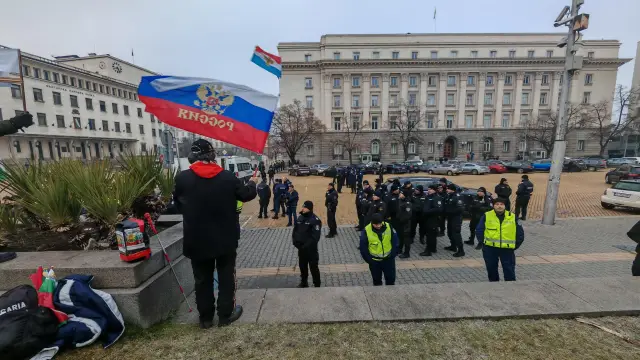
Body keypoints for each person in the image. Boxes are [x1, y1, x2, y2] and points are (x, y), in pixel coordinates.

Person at [173, 139, 257, 328]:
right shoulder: (227, 177)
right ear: (213, 156)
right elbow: (246, 195)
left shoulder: (182, 178)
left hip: (197, 240)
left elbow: (178, 204)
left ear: (192, 157)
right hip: (225, 239)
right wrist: (252, 183)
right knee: (226, 277)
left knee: (202, 279)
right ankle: (225, 316)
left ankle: (205, 318)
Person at [475, 198, 525, 282]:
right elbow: (479, 230)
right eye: (497, 204)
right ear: (493, 206)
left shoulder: (513, 217)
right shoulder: (487, 216)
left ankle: (511, 289)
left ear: (505, 206)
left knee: (509, 270)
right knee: (491, 269)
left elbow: (520, 234)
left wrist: (514, 246)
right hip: (490, 249)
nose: (499, 206)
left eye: (501, 204)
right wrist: (483, 243)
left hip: (507, 249)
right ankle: (494, 286)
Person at [359, 213, 399, 286]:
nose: (378, 226)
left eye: (380, 224)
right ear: (372, 223)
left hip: (388, 260)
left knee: (391, 280)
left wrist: (393, 255)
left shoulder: (389, 226)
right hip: (375, 262)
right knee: (377, 282)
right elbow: (363, 248)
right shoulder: (366, 230)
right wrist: (369, 260)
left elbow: (395, 241)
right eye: (376, 224)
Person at [292, 201, 322, 287]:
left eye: (305, 207)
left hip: (311, 250)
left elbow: (315, 237)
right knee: (302, 266)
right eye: (303, 207)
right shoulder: (300, 218)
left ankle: (317, 284)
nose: (303, 209)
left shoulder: (315, 220)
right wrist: (295, 242)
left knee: (313, 268)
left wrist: (305, 246)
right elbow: (295, 231)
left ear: (309, 208)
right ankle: (304, 282)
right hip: (301, 249)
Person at [420, 185, 443, 256]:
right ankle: (433, 248)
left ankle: (428, 251)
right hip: (427, 219)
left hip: (433, 219)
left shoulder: (437, 197)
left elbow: (438, 209)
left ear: (435, 190)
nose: (428, 190)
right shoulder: (428, 197)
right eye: (428, 189)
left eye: (430, 189)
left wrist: (427, 211)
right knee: (431, 235)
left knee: (430, 236)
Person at [443, 184, 465, 257]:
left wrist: (449, 211)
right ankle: (453, 246)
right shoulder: (449, 195)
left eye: (448, 189)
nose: (447, 190)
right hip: (450, 217)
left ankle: (461, 251)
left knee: (456, 234)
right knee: (450, 233)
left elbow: (460, 209)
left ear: (452, 189)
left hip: (456, 218)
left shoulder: (458, 197)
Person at [397, 191, 413, 258]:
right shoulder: (400, 200)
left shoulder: (407, 203)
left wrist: (402, 220)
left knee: (406, 239)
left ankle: (407, 253)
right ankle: (400, 250)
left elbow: (408, 215)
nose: (400, 194)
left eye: (401, 193)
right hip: (400, 223)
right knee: (401, 237)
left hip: (406, 224)